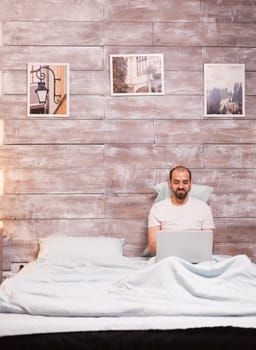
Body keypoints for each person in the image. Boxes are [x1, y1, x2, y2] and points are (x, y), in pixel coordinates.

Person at [147, 165, 215, 254]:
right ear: (170, 183)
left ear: (190, 184)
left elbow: (209, 245)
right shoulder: (157, 208)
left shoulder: (204, 208)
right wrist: (176, 255)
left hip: (196, 258)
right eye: (176, 182)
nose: (181, 186)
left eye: (185, 182)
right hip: (168, 258)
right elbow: (152, 245)